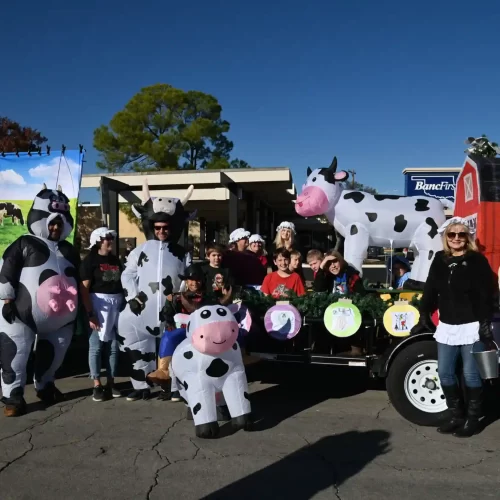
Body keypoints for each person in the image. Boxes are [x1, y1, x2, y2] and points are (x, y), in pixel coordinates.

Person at [410, 217, 497, 438]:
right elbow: (430, 288)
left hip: (472, 325)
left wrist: (485, 322)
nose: (456, 238)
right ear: (446, 237)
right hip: (447, 325)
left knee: (470, 374)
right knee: (445, 373)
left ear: (467, 237)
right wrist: (423, 313)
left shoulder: (476, 260)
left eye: (461, 234)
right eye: (452, 234)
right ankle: (456, 416)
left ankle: (473, 419)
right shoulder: (439, 259)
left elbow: (487, 292)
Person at [0, 185, 80, 416]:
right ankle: (13, 397)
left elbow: (80, 277)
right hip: (20, 313)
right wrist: (6, 299)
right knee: (15, 354)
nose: (55, 227)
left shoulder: (69, 249)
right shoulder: (25, 242)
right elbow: (7, 270)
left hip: (61, 318)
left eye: (60, 223)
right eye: (52, 222)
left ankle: (45, 385)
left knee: (54, 355)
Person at [118, 180, 194, 402]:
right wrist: (132, 297)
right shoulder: (140, 250)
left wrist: (179, 297)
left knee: (176, 348)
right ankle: (141, 385)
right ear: (152, 227)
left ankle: (173, 388)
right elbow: (127, 275)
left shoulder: (182, 253)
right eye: (158, 227)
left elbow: (188, 278)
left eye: (166, 228)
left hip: (172, 311)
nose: (161, 231)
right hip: (142, 309)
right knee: (134, 341)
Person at [153, 264, 232, 401]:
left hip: (204, 335)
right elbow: (166, 314)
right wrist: (170, 322)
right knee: (169, 338)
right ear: (186, 281)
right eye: (191, 279)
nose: (194, 283)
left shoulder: (210, 298)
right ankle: (168, 380)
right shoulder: (175, 298)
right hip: (183, 333)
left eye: (197, 279)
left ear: (202, 281)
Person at [80, 227, 124, 402]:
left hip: (116, 305)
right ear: (98, 240)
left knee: (114, 347)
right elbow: (84, 289)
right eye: (107, 238)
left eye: (111, 238)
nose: (110, 241)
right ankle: (97, 384)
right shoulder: (89, 261)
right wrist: (90, 313)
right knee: (96, 346)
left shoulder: (115, 260)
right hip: (98, 305)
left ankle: (111, 382)